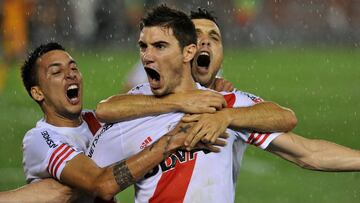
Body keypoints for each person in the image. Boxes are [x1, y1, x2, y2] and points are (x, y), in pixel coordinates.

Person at [88, 5, 360, 203]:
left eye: (213, 37)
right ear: (187, 49)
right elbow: (92, 182)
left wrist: (226, 116)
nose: (204, 41)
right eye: (197, 35)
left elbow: (306, 151)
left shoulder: (229, 105)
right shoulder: (138, 106)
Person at [20, 42, 226, 202]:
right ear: (38, 92)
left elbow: (157, 121)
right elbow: (102, 184)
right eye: (57, 72)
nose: (70, 75)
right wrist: (171, 141)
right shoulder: (40, 139)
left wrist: (213, 90)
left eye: (73, 68)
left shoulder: (97, 121)